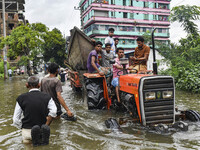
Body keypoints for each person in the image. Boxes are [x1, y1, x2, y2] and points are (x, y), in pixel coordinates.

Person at [13, 76, 57, 146]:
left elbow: (15, 120)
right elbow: (54, 112)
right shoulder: (47, 97)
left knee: (29, 147)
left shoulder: (21, 98)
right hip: (41, 129)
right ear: (39, 85)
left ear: (27, 85)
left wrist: (23, 127)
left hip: (27, 131)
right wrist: (46, 124)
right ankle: (42, 135)